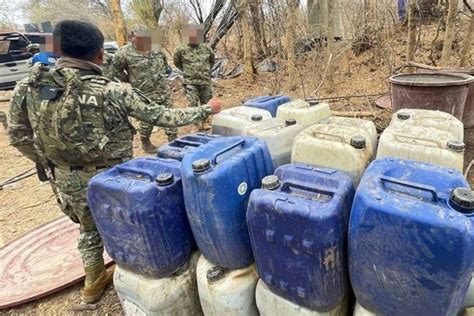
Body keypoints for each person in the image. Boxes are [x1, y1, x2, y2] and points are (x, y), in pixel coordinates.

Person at [8, 20, 220, 304]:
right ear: (99, 54)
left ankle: (94, 282)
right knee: (128, 221)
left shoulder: (29, 86)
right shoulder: (112, 90)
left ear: (57, 49)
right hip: (115, 176)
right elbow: (161, 116)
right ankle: (132, 270)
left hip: (65, 177)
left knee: (88, 228)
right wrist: (207, 109)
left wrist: (48, 162)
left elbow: (18, 136)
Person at [111, 27, 175, 153]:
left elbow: (165, 65)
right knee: (146, 121)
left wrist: (162, 75)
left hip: (163, 90)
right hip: (144, 93)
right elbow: (115, 71)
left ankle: (173, 141)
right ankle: (146, 143)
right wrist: (130, 80)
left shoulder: (156, 48)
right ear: (132, 37)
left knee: (170, 116)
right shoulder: (123, 53)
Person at [173, 24, 215, 130]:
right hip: (190, 82)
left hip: (205, 81)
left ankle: (206, 122)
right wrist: (188, 72)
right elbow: (177, 63)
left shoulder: (206, 48)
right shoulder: (180, 49)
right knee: (193, 104)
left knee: (206, 103)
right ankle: (196, 124)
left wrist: (205, 72)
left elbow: (212, 61)